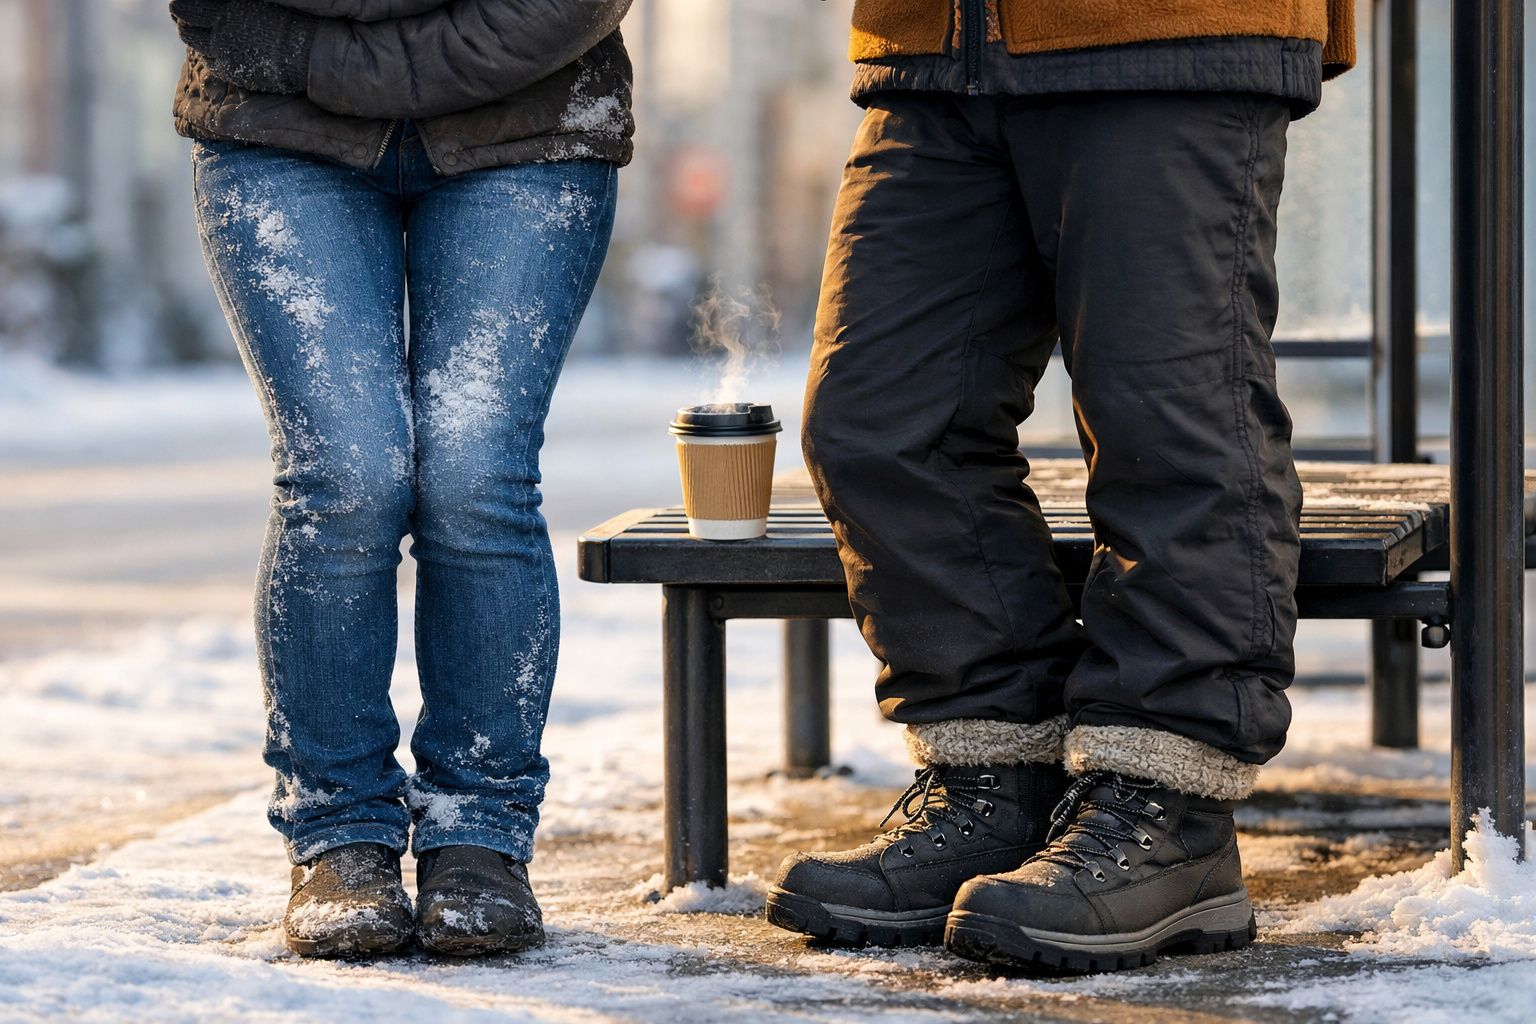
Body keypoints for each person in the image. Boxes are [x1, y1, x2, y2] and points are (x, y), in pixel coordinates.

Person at [767, 0, 1355, 971]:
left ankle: (1169, 815)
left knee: (1167, 421)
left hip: (1165, 30)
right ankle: (994, 781)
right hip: (936, 40)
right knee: (881, 421)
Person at [169, 0, 632, 958]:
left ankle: (478, 832)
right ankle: (339, 834)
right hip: (277, 132)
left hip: (531, 122)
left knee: (476, 478)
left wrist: (308, 42)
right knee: (345, 476)